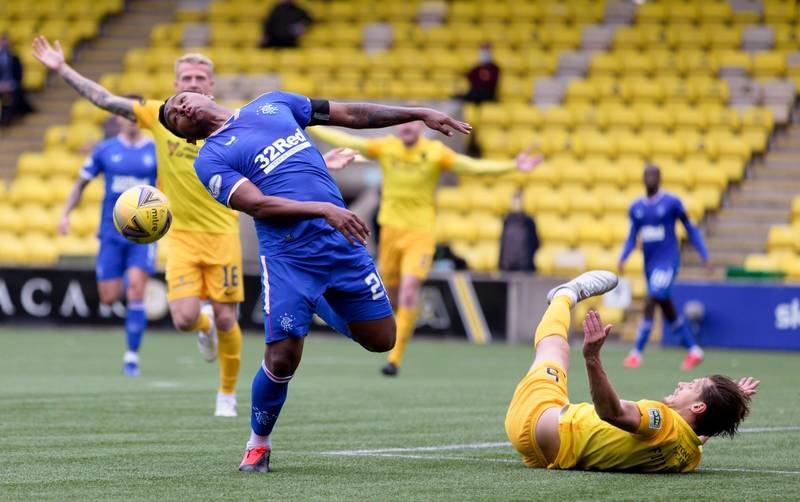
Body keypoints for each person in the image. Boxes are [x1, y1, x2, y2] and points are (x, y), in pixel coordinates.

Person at [157, 89, 471, 472]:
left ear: (204, 93)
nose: (181, 107)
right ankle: (258, 444)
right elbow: (257, 205)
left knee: (381, 340)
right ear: (187, 135)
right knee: (283, 355)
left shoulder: (273, 103)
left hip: (340, 244)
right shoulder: (211, 158)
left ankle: (318, 301)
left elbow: (353, 113)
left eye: (180, 100)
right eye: (175, 116)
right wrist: (323, 208)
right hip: (289, 257)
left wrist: (417, 112)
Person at [33, 36, 245, 417]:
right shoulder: (159, 116)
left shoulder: (233, 124)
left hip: (224, 235)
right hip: (180, 237)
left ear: (211, 86)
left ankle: (226, 395)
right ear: (175, 84)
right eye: (186, 78)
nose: (193, 83)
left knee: (229, 317)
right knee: (182, 320)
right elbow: (105, 100)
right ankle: (204, 324)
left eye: (200, 78)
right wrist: (62, 69)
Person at [309, 124, 540, 377]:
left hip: (420, 235)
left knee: (409, 293)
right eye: (403, 123)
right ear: (399, 127)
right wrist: (313, 124)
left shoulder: (434, 152)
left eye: (412, 123)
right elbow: (346, 139)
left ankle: (394, 359)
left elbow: (471, 167)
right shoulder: (386, 147)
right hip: (390, 234)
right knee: (392, 298)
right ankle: (391, 335)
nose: (407, 127)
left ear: (419, 127)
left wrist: (512, 166)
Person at [505, 270, 758, 473]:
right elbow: (703, 433)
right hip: (550, 455)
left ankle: (565, 295)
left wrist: (592, 357)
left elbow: (611, 412)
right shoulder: (690, 454)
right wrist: (731, 402)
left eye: (692, 386)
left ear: (698, 408)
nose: (682, 383)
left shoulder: (664, 422)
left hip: (533, 417)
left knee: (556, 348)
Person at [58, 100, 156, 376]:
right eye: (127, 114)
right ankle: (128, 279)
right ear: (118, 119)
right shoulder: (105, 149)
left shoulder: (156, 151)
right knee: (109, 298)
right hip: (111, 233)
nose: (132, 119)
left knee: (136, 289)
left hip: (144, 235)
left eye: (136, 115)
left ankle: (131, 357)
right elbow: (81, 184)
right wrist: (65, 215)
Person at [618, 164, 711, 370]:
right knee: (666, 306)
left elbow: (691, 229)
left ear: (660, 179)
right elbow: (632, 237)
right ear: (643, 179)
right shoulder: (637, 208)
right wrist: (622, 257)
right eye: (647, 175)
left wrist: (704, 254)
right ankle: (694, 350)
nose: (650, 178)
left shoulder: (672, 203)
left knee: (652, 298)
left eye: (654, 175)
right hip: (650, 265)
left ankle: (637, 352)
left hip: (668, 261)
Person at [0, 33, 32, 125]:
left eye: (5, 41)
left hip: (11, 85)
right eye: (2, 41)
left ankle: (7, 119)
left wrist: (10, 84)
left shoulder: (14, 57)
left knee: (16, 94)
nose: (4, 43)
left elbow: (19, 74)